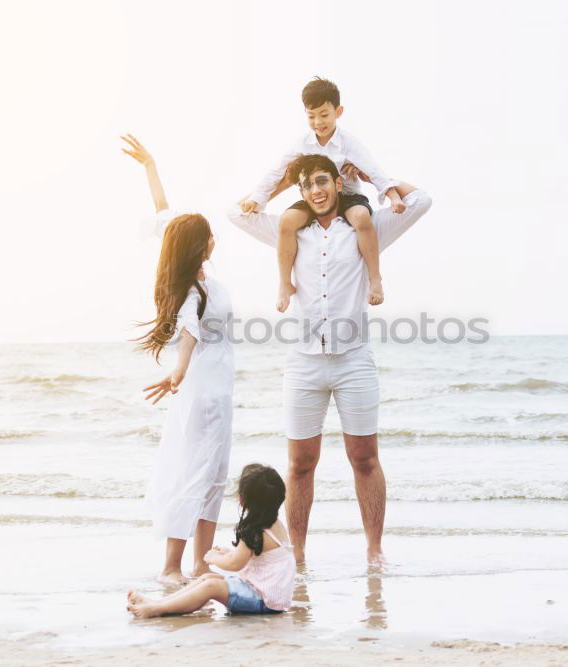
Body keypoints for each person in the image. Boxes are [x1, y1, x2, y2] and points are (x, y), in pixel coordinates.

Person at [230, 153, 432, 566]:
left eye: (323, 181)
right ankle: (298, 554)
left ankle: (374, 550)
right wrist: (285, 183)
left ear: (338, 183)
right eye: (308, 185)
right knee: (300, 464)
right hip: (303, 364)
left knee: (364, 458)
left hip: (353, 361)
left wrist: (381, 181)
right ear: (302, 191)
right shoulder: (292, 228)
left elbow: (421, 201)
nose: (317, 190)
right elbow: (236, 212)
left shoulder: (365, 224)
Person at [122, 133, 235, 587]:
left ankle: (201, 564)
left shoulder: (198, 274)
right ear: (199, 245)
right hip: (204, 394)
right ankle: (172, 566)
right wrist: (179, 371)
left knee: (214, 478)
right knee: (198, 475)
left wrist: (150, 165)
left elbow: (164, 211)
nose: (214, 238)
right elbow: (189, 330)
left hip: (217, 393)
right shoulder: (195, 289)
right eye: (209, 235)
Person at [238, 77, 408, 313]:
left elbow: (374, 170)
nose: (318, 122)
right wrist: (257, 199)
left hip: (347, 196)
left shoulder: (348, 142)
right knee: (287, 221)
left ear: (338, 112)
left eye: (324, 115)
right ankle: (285, 284)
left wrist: (394, 198)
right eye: (311, 116)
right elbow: (276, 171)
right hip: (315, 199)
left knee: (361, 218)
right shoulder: (301, 143)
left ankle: (375, 279)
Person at [126, 464, 296, 617]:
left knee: (210, 587)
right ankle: (157, 603)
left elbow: (235, 564)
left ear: (244, 500)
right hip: (269, 596)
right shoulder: (275, 525)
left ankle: (158, 609)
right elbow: (255, 558)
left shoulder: (254, 531)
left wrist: (214, 558)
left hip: (262, 601)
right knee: (207, 578)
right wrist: (228, 553)